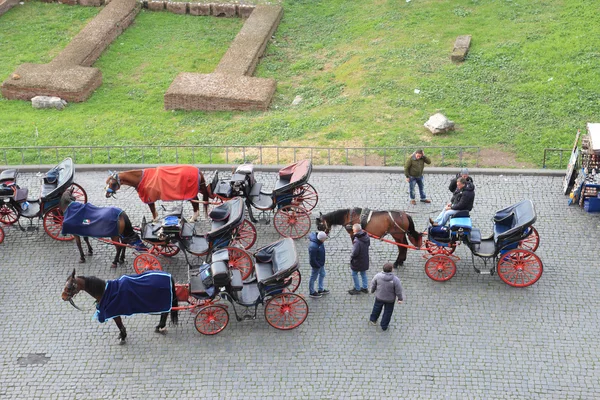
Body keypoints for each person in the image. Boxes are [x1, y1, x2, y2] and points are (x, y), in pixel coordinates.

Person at [369, 262, 404, 331]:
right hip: (390, 299)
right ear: (391, 270)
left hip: (379, 297)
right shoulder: (395, 280)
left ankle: (373, 320)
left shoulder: (378, 276)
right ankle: (384, 326)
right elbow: (398, 291)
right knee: (388, 312)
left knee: (376, 308)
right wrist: (400, 298)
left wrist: (372, 291)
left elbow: (373, 284)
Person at [348, 223, 370, 295]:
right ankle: (365, 287)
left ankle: (357, 289)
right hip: (365, 258)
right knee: (363, 273)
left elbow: (355, 253)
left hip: (358, 260)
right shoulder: (366, 236)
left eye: (353, 230)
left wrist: (351, 257)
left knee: (354, 274)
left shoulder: (357, 241)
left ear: (355, 230)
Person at [308, 230, 330, 298]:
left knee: (322, 274)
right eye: (324, 239)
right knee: (313, 278)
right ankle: (312, 292)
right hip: (317, 265)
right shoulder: (313, 247)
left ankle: (321, 289)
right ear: (321, 239)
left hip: (320, 263)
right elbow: (312, 259)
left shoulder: (319, 242)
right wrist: (317, 265)